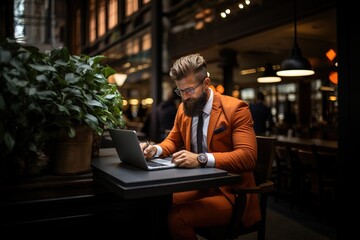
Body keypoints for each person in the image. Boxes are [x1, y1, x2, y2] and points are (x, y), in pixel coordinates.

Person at [140, 53, 260, 240]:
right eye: (180, 92)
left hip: (232, 194)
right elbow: (172, 141)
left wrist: (200, 159)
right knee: (156, 203)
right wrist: (154, 150)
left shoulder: (236, 109)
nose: (185, 98)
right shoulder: (184, 108)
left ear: (206, 83)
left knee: (178, 218)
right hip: (199, 186)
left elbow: (248, 157)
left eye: (189, 90)